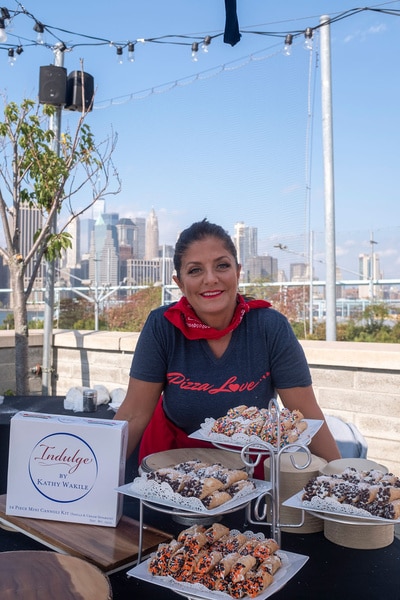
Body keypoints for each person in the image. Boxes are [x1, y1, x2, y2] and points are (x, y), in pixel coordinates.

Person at [114, 219, 340, 477]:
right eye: (195, 270)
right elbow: (133, 414)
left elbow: (306, 415)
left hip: (249, 472)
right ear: (179, 283)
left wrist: (341, 476)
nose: (210, 279)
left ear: (238, 272)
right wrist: (94, 478)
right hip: (169, 468)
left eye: (222, 266)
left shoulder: (270, 327)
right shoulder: (162, 326)